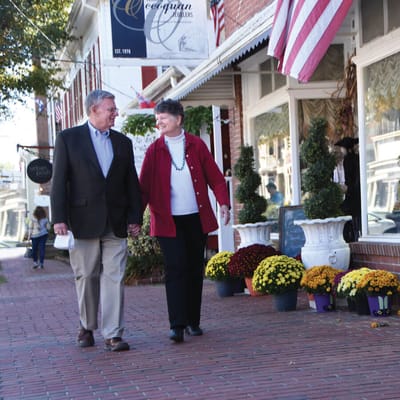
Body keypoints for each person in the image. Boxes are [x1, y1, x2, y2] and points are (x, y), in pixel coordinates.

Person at [50, 90, 142, 352]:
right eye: (110, 109)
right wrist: (59, 218)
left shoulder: (123, 142)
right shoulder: (69, 139)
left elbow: (131, 184)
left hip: (116, 221)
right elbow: (59, 182)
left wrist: (135, 217)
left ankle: (113, 333)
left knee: (115, 277)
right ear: (93, 110)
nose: (115, 113)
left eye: (114, 109)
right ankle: (87, 325)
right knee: (87, 275)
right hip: (82, 220)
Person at [139, 99, 230, 343]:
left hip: (195, 219)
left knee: (192, 269)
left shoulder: (196, 145)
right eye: (157, 119)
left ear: (178, 119)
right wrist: (135, 218)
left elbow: (216, 178)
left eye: (164, 118)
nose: (159, 123)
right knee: (175, 268)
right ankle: (176, 324)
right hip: (167, 221)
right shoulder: (154, 150)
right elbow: (143, 188)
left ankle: (193, 321)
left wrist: (223, 203)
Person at [335, 137, 361, 242]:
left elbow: (350, 180)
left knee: (346, 220)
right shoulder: (356, 158)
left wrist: (347, 188)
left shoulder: (349, 160)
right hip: (356, 196)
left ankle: (350, 240)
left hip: (351, 196)